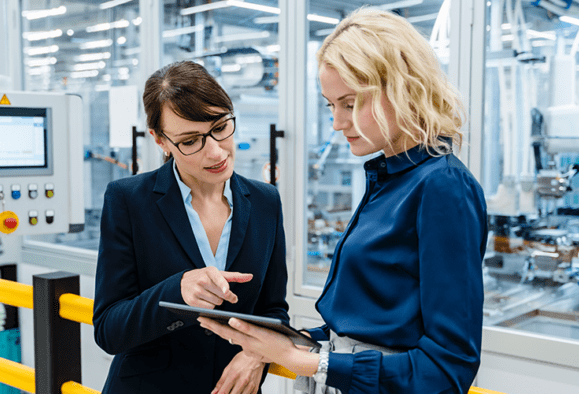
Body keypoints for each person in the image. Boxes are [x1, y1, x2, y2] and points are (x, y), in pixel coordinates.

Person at [199, 8, 488, 394]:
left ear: (403, 88)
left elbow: (447, 368)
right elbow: (370, 324)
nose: (336, 122)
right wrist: (280, 342)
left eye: (350, 103)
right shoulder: (391, 177)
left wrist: (303, 359)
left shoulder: (443, 186)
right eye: (330, 105)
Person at [93, 60, 289, 394]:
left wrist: (256, 354)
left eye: (220, 126)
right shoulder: (128, 201)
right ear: (160, 141)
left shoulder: (265, 201)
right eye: (190, 140)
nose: (215, 151)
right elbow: (109, 329)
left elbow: (274, 310)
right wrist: (177, 290)